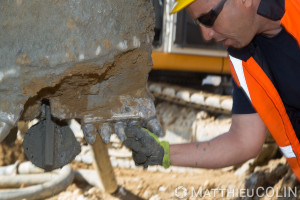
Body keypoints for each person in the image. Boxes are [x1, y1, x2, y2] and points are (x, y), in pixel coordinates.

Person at [123, 0, 300, 180]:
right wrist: (162, 152)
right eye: (198, 22)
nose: (206, 35)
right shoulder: (243, 56)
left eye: (208, 18)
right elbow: (243, 140)